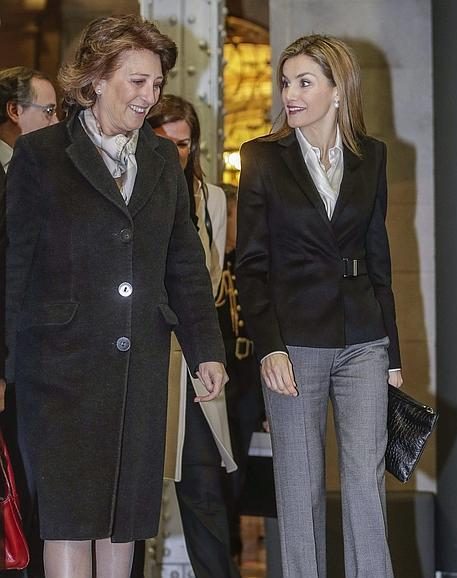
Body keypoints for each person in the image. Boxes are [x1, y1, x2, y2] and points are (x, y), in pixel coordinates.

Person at [4, 15, 227, 578]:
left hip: (139, 371)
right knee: (70, 520)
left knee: (123, 524)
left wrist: (207, 350)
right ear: (97, 79)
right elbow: (12, 267)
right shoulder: (40, 155)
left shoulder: (159, 160)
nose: (150, 96)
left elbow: (184, 264)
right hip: (58, 371)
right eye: (137, 81)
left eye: (156, 84)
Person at [235, 34, 403, 578]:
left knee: (365, 481)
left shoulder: (370, 156)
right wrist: (268, 347)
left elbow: (380, 258)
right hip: (294, 341)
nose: (291, 94)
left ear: (337, 90)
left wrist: (393, 352)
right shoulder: (262, 157)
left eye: (304, 82)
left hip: (363, 340)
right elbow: (251, 266)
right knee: (300, 485)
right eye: (286, 82)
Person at [146, 96, 240, 578]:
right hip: (142, 357)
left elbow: (210, 280)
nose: (175, 154)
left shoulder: (212, 199)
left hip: (192, 361)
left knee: (204, 486)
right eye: (165, 143)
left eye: (183, 144)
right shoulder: (133, 188)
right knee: (134, 494)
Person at [0, 66, 58, 578]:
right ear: (15, 113)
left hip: (33, 364)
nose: (57, 122)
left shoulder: (40, 171)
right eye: (49, 111)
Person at [215, 184, 265, 559]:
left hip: (249, 373)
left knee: (241, 465)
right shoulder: (214, 265)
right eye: (234, 217)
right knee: (218, 463)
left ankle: (232, 541)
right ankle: (224, 538)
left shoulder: (250, 263)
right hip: (222, 372)